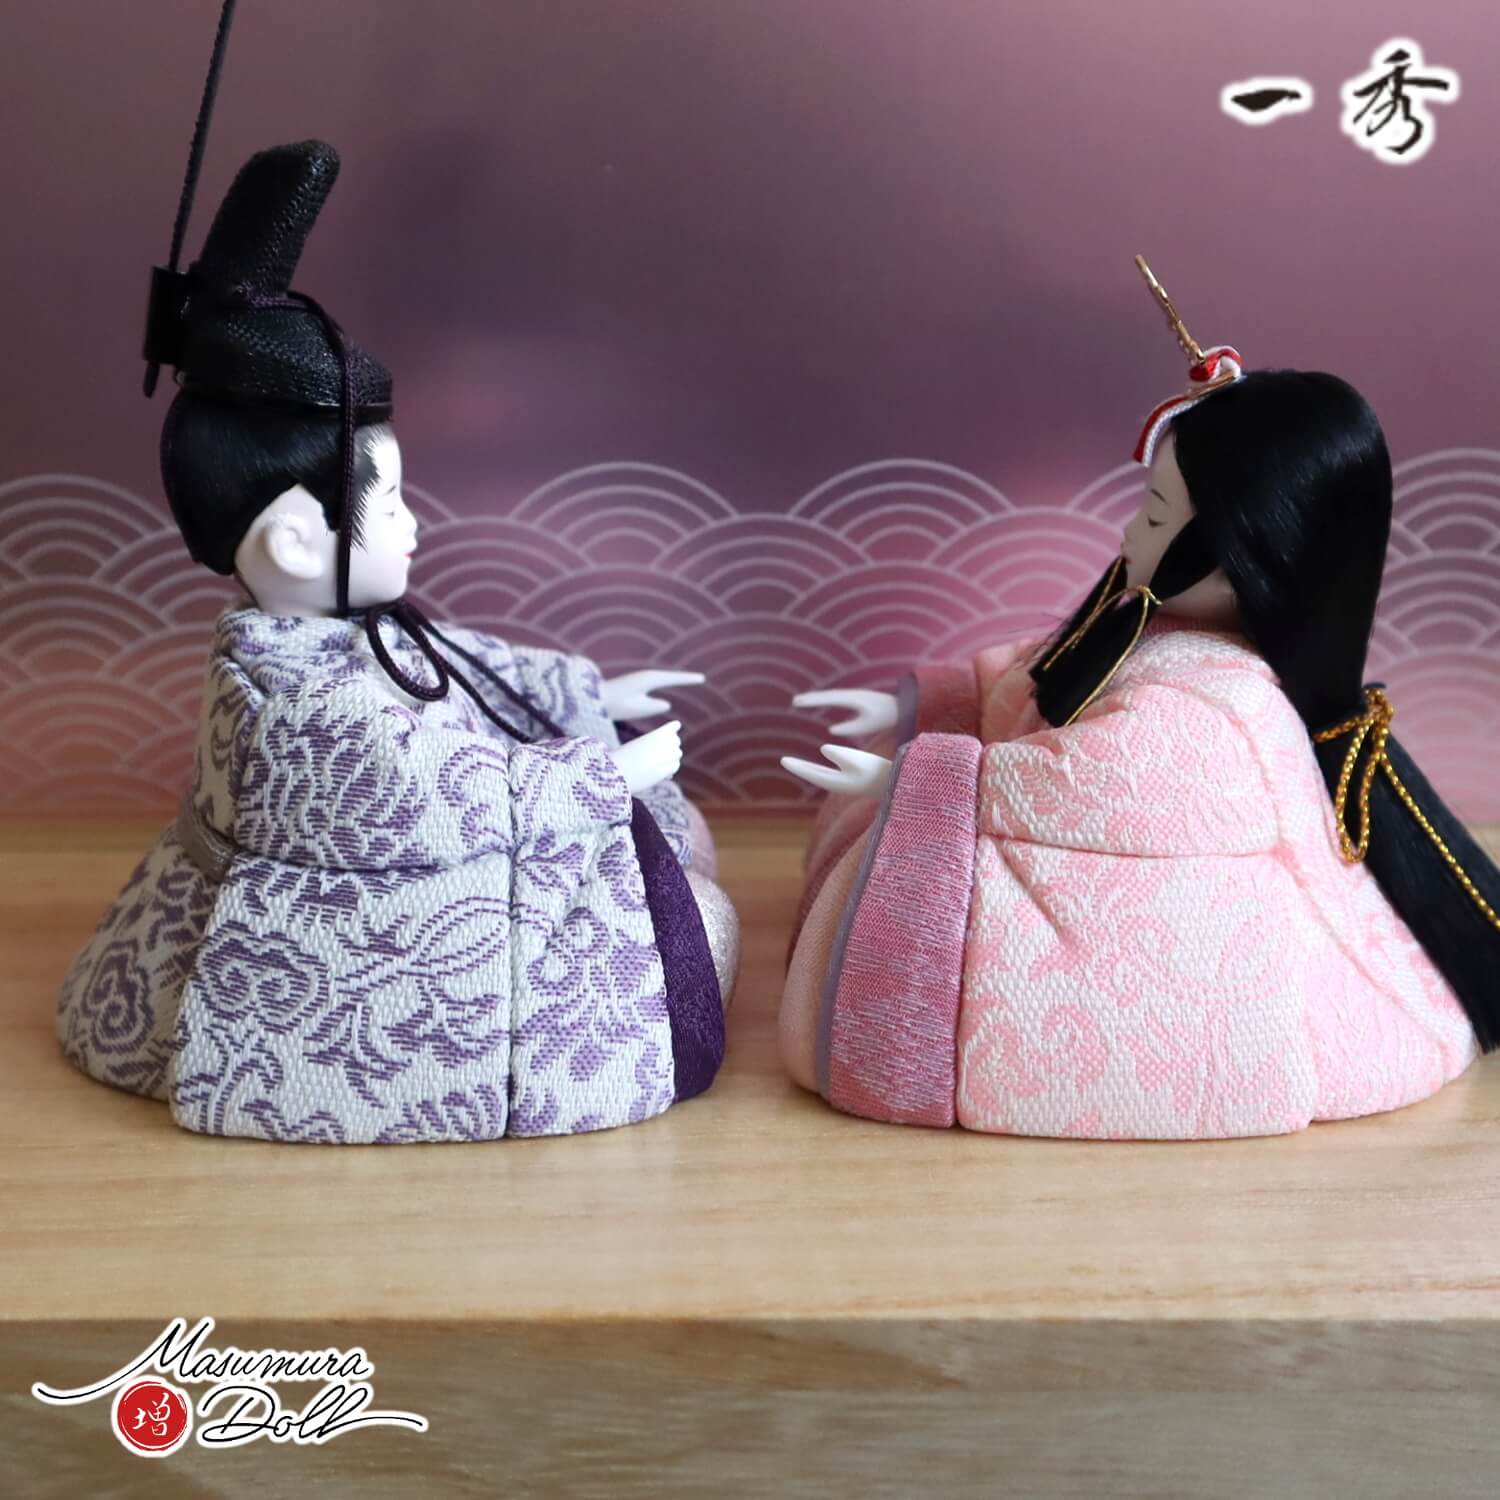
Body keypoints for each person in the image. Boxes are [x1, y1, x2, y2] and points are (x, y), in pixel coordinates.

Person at [57, 139, 737, 1144]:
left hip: (450, 857)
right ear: (295, 538)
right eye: (391, 502)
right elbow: (419, 787)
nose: (414, 524)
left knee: (675, 853)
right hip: (356, 948)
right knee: (679, 929)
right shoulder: (288, 696)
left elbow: (453, 663)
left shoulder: (336, 633)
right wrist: (599, 772)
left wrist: (586, 694)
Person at [779, 260, 1499, 1139]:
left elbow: (1090, 782)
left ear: (1239, 556)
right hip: (1108, 866)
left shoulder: (1217, 710)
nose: (1129, 532)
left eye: (1155, 517)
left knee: (939, 932)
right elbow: (1039, 677)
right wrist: (942, 705)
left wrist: (928, 778)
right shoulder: (1166, 631)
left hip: (1191, 956)